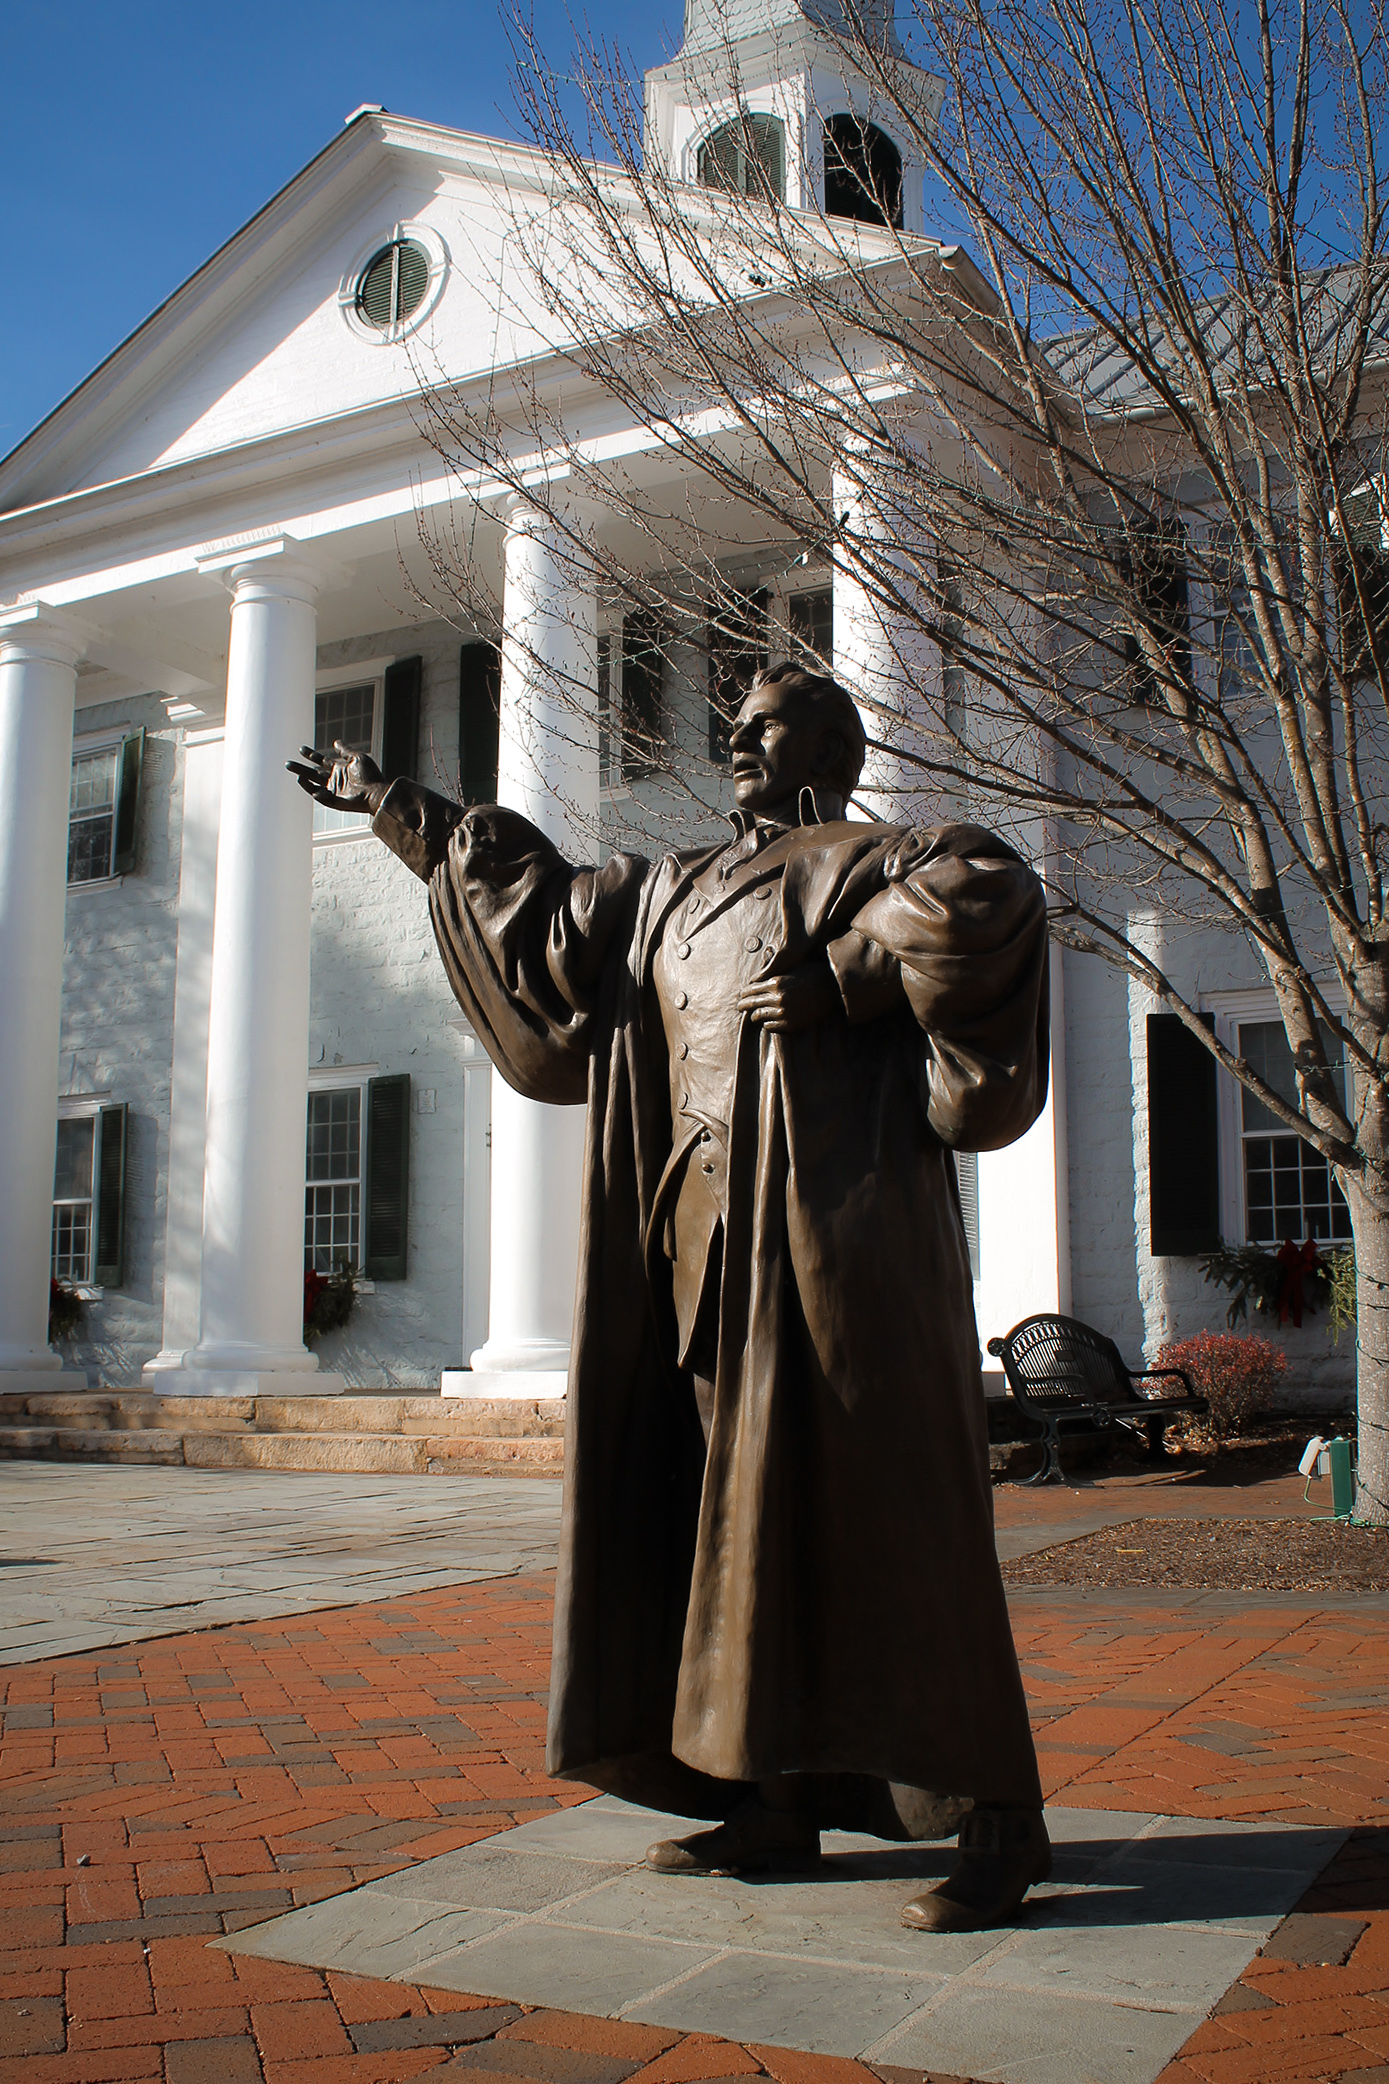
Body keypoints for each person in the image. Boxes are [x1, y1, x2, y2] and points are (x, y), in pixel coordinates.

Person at [290, 662, 1052, 1931]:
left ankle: (1001, 1817)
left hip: (838, 1257)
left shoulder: (884, 857)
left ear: (837, 742)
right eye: (734, 720)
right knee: (729, 1529)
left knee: (894, 1526)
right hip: (698, 1262)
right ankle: (775, 1797)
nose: (739, 736)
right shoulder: (670, 889)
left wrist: (856, 975)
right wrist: (396, 804)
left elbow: (989, 890)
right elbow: (532, 909)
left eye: (770, 721)